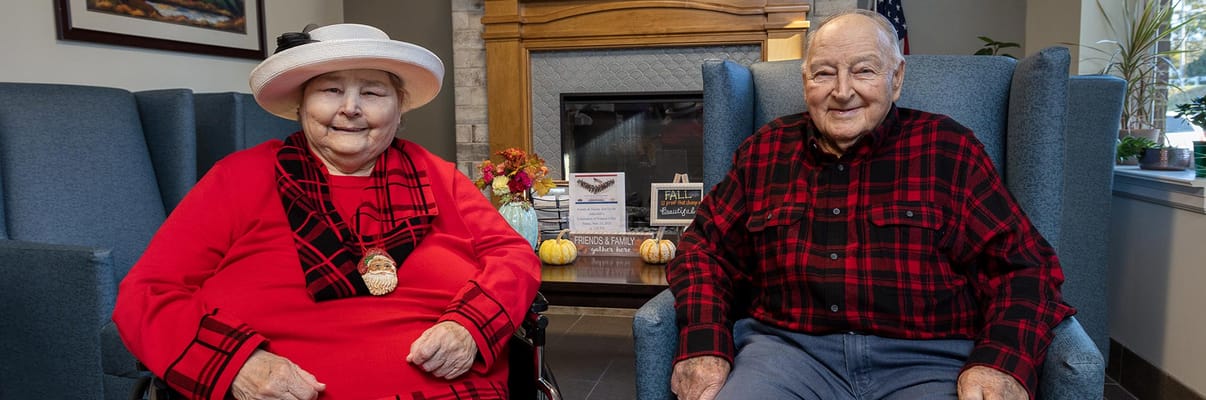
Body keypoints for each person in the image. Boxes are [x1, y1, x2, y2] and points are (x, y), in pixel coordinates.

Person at [113, 23, 541, 400]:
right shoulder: (238, 177)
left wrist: (470, 326)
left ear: (399, 109)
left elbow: (513, 256)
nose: (350, 108)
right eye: (331, 90)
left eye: (372, 92)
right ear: (301, 105)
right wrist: (238, 365)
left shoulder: (439, 176)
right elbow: (147, 294)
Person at [667, 10, 1074, 400]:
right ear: (805, 81)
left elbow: (1025, 267)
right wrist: (705, 341)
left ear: (896, 79)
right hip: (786, 354)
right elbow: (704, 250)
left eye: (863, 71)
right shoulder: (765, 151)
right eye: (824, 73)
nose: (843, 91)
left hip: (927, 359)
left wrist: (1000, 362)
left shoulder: (949, 150)